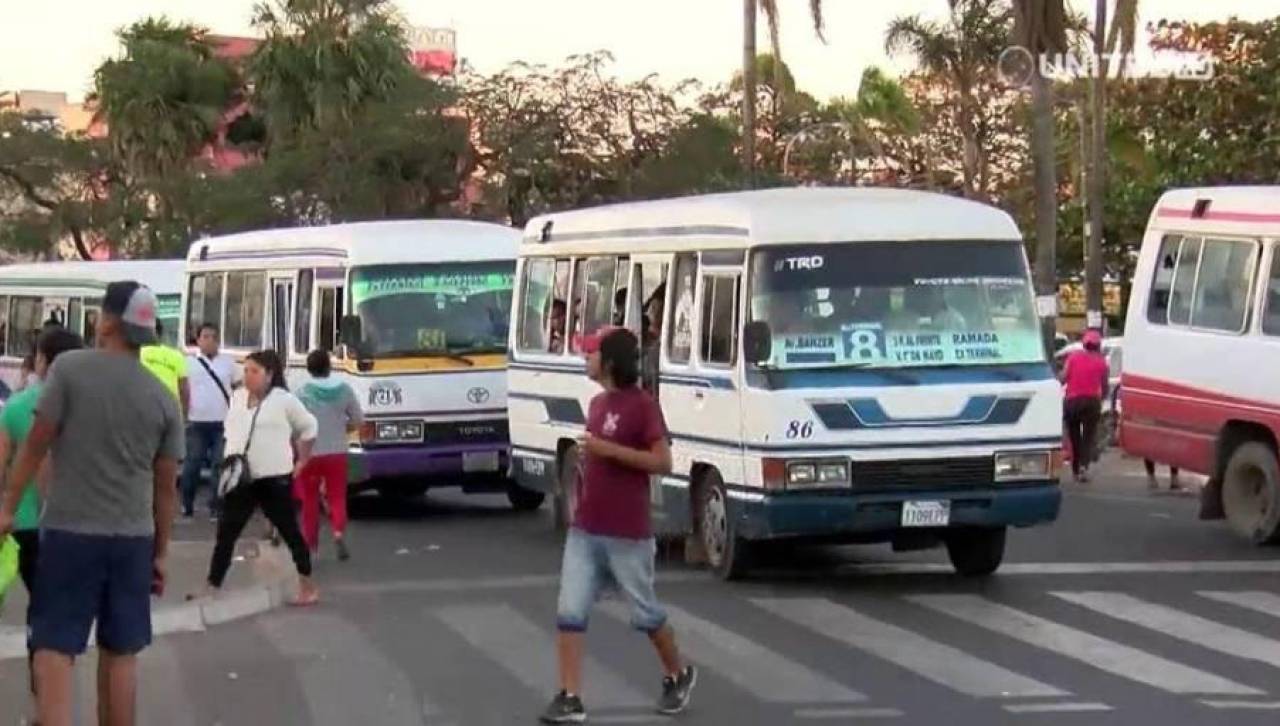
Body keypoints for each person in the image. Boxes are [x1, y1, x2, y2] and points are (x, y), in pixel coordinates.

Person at [0, 280, 184, 726]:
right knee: (121, 652)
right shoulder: (163, 398)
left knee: (54, 649)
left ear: (105, 321)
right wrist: (161, 552)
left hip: (70, 533)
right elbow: (166, 488)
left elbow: (36, 443)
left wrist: (7, 506)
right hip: (133, 540)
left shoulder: (71, 370)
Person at [541, 328, 696, 724]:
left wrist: (607, 450)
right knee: (570, 610)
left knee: (646, 614)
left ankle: (677, 673)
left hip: (627, 532)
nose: (585, 360)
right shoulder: (596, 404)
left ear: (609, 362)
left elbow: (663, 463)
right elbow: (597, 457)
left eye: (591, 354)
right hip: (586, 528)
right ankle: (569, 696)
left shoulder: (642, 406)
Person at [0, 326, 84, 716]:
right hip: (64, 528)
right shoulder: (84, 409)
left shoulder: (17, 408)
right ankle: (43, 705)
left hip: (12, 526)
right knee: (47, 619)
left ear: (41, 361)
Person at [194, 349, 319, 606]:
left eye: (254, 371)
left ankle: (307, 585)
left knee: (290, 531)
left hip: (273, 477)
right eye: (246, 370)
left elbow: (309, 428)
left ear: (269, 375)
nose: (248, 376)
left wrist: (303, 460)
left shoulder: (284, 400)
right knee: (226, 533)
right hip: (241, 478)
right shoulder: (237, 398)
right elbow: (231, 431)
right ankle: (211, 585)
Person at [295, 349, 363, 560]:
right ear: (329, 366)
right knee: (337, 496)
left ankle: (311, 545)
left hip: (310, 453)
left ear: (309, 368)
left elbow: (295, 425)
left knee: (310, 500)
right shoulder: (344, 390)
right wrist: (343, 429)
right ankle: (338, 531)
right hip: (337, 452)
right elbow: (358, 420)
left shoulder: (302, 393)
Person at [182, 323, 241, 520]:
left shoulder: (228, 363)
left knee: (219, 465)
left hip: (221, 422)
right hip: (196, 421)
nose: (209, 341)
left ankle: (216, 506)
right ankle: (187, 505)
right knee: (192, 465)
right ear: (197, 340)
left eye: (213, 337)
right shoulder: (188, 363)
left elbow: (238, 385)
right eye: (205, 336)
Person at [1061, 329, 1109, 483]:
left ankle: (1075, 470)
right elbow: (1105, 386)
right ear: (1098, 345)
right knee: (1088, 437)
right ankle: (1083, 467)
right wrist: (1102, 399)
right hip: (1092, 402)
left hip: (1072, 401)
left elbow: (1063, 377)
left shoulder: (1073, 358)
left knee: (1074, 436)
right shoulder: (1102, 362)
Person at [141, 320, 190, 417]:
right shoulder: (176, 356)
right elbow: (184, 390)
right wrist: (184, 415)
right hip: (169, 412)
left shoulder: (134, 355)